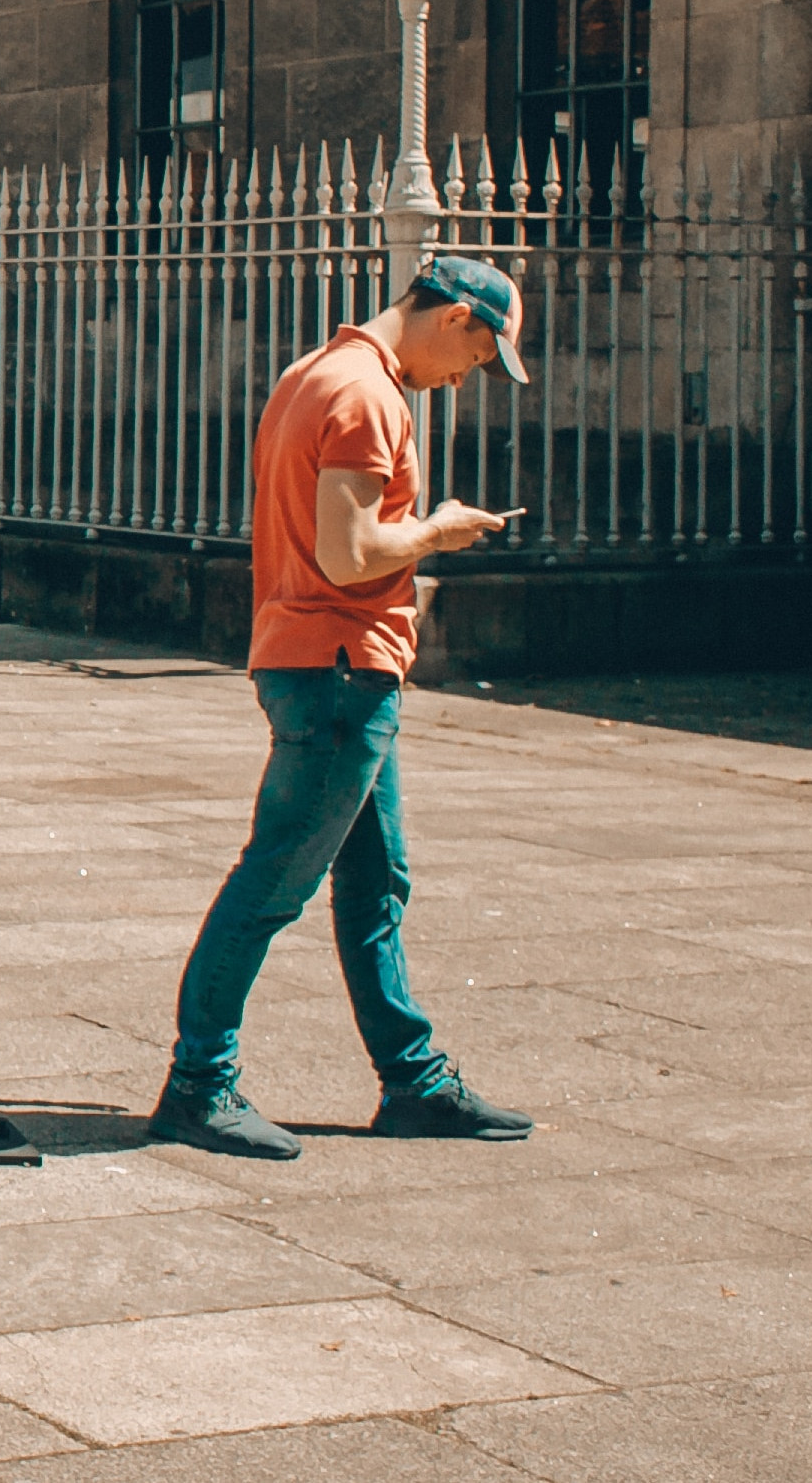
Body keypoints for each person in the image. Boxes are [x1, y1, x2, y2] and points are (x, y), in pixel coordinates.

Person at [152, 256, 536, 1160]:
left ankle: (413, 1081)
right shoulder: (369, 395)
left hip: (324, 664)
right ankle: (197, 1086)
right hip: (338, 672)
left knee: (374, 884)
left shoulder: (312, 373)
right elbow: (350, 553)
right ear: (452, 317)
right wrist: (437, 532)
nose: (472, 375)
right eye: (482, 353)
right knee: (274, 883)